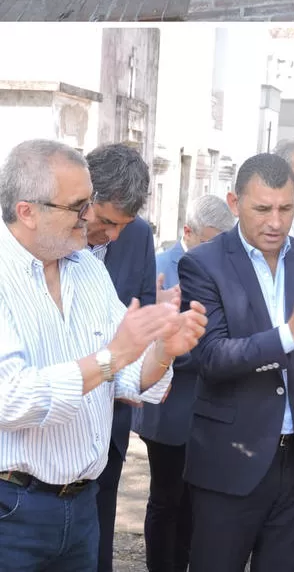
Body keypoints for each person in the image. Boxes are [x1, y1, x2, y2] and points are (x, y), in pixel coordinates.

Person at [0, 138, 206, 571]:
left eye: (89, 202)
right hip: (12, 513)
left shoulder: (87, 267)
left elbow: (127, 376)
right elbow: (11, 399)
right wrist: (114, 356)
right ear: (27, 212)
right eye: (77, 205)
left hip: (82, 508)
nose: (88, 217)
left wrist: (164, 350)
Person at [177, 153, 294, 572]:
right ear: (234, 203)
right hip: (230, 463)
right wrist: (289, 334)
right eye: (262, 208)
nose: (275, 222)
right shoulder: (201, 263)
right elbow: (209, 358)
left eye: (285, 209)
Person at [137, 195, 235, 572]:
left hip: (215, 409)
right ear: (188, 232)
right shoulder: (159, 269)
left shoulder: (228, 268)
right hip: (170, 409)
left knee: (200, 501)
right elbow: (144, 342)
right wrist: (205, 350)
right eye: (209, 240)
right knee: (166, 499)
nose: (216, 249)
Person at [83, 143, 159, 572]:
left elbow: (142, 309)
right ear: (84, 199)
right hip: (49, 424)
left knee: (98, 544)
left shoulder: (138, 234)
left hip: (110, 417)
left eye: (122, 226)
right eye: (107, 221)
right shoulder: (47, 240)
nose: (113, 235)